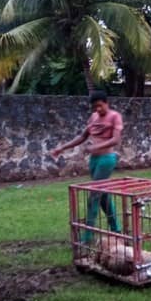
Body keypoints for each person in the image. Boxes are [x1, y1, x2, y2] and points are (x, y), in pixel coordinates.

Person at [51, 91, 123, 242]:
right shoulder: (93, 117)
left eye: (100, 106)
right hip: (94, 160)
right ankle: (116, 229)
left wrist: (97, 147)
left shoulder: (115, 116)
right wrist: (62, 148)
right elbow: (82, 136)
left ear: (106, 103)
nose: (98, 109)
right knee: (102, 195)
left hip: (106, 159)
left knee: (93, 196)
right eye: (95, 107)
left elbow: (115, 139)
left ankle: (88, 235)